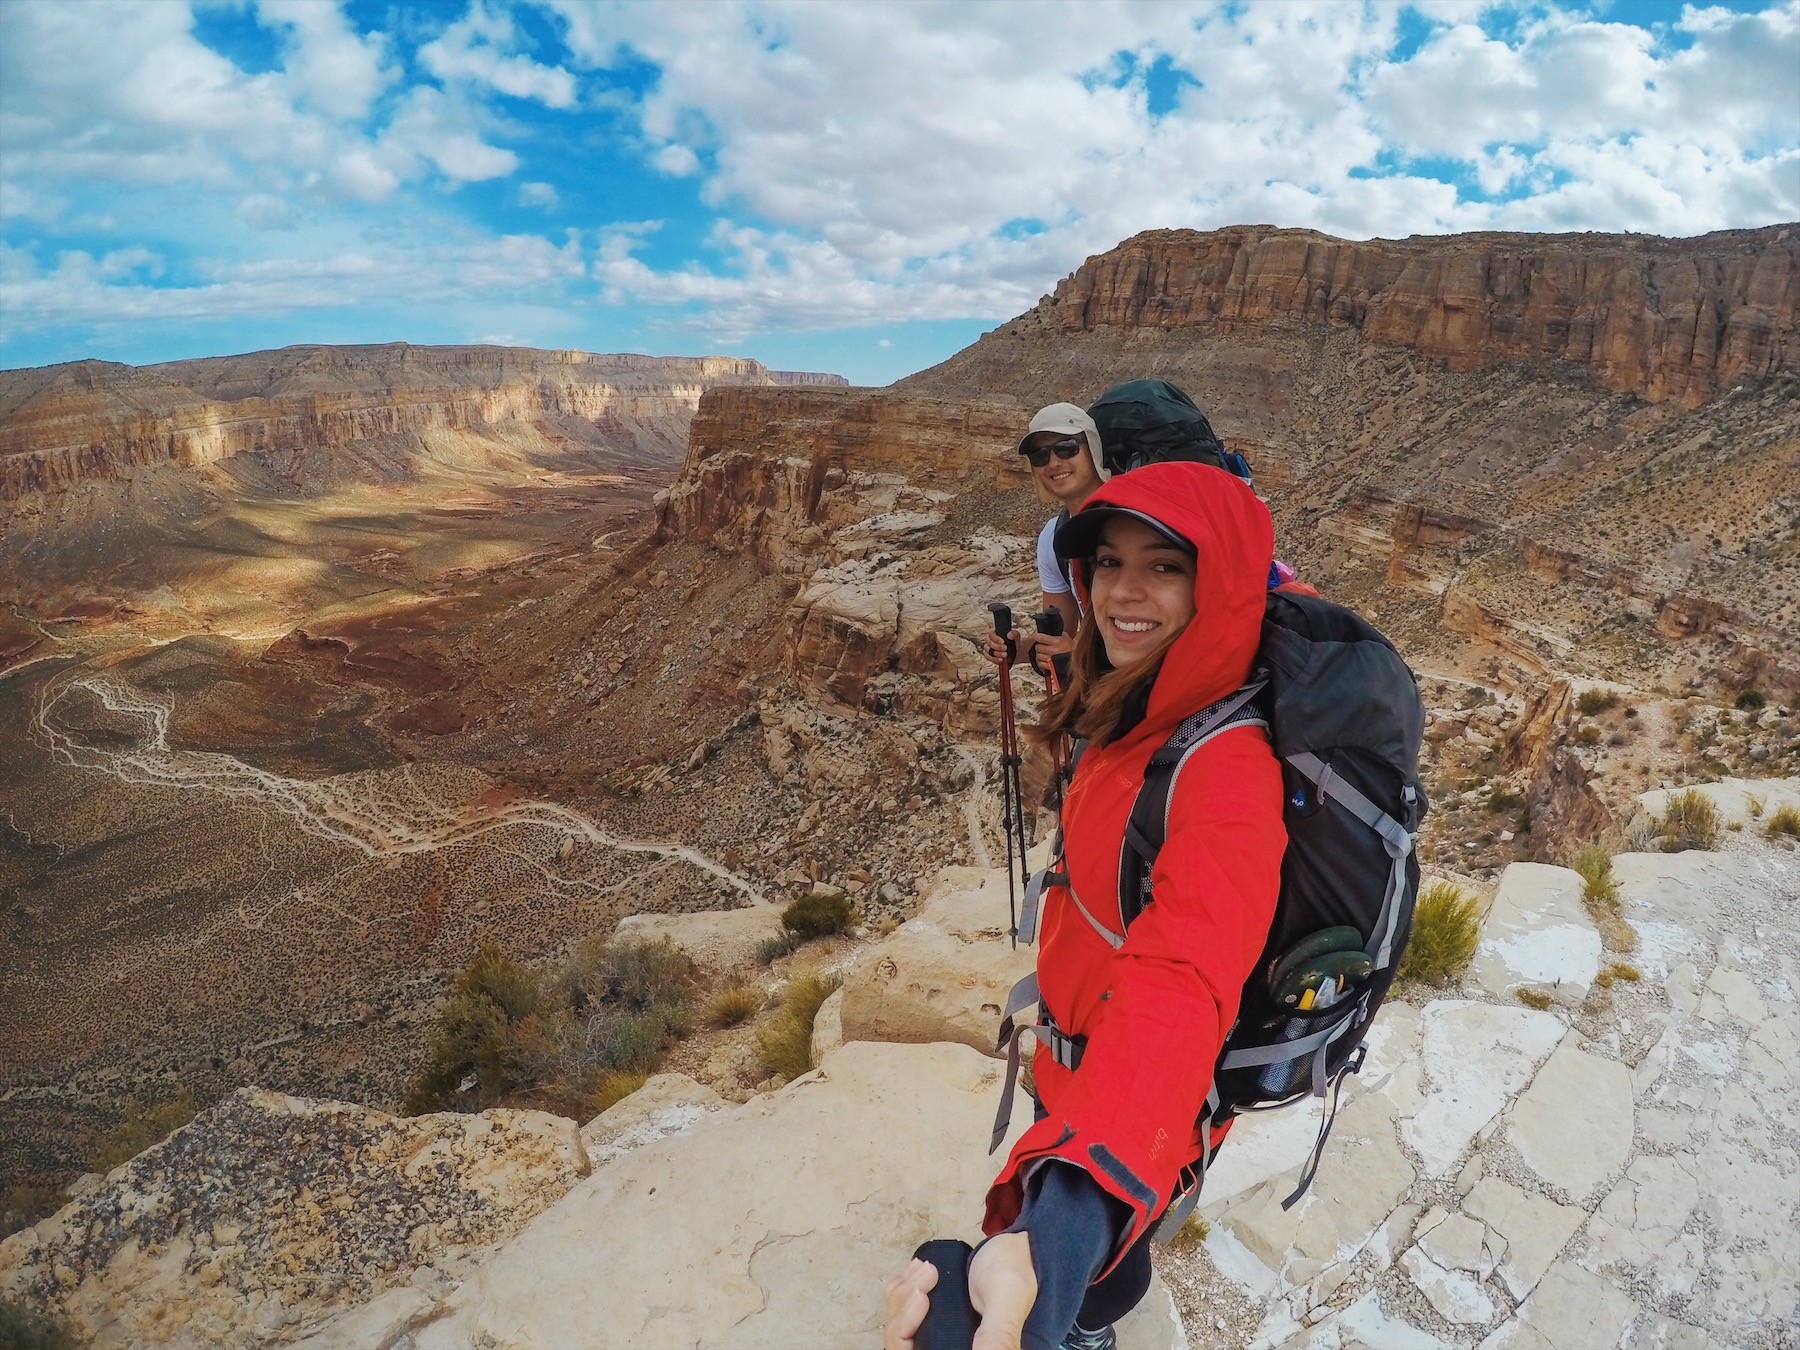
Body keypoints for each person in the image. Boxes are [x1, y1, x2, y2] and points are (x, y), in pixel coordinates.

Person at [887, 461, 1288, 1350]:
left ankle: (1077, 1325)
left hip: (1139, 1086)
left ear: (1216, 582)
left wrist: (1050, 1244)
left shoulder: (1225, 772)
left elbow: (1180, 982)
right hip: (1077, 1055)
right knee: (1102, 1214)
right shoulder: (1147, 700)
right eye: (1106, 562)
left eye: (1165, 566)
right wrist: (1032, 657)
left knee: (1105, 1242)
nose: (1124, 591)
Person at [983, 404, 1109, 675]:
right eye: (1040, 455)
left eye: (1067, 447)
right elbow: (1058, 637)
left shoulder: (1130, 522)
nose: (1053, 462)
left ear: (1093, 448)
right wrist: (1016, 650)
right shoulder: (1054, 537)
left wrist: (1078, 654)